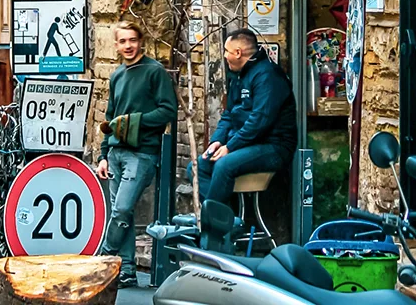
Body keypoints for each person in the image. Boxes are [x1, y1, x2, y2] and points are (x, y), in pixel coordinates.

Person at [96, 20, 177, 287]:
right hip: (116, 154)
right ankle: (127, 270)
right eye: (123, 41)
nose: (128, 45)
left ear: (141, 41)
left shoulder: (155, 71)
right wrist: (103, 155)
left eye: (132, 40)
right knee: (124, 215)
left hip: (142, 153)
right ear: (116, 45)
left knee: (121, 210)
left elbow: (168, 110)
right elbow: (110, 118)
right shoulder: (117, 75)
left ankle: (104, 258)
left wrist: (136, 122)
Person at [197, 29, 296, 204]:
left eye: (226, 51)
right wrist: (217, 141)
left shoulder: (268, 76)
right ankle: (222, 216)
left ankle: (212, 219)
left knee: (224, 165)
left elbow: (260, 121)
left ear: (238, 52)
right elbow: (229, 114)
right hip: (248, 144)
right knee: (199, 165)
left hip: (274, 146)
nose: (224, 56)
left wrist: (230, 147)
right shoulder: (239, 76)